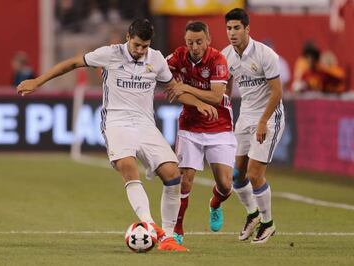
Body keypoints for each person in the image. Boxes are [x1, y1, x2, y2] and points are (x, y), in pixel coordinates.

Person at [17, 19, 218, 252]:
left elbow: (173, 89)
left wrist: (198, 103)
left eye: (144, 46)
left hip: (145, 124)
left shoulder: (155, 59)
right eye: (136, 46)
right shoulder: (109, 54)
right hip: (116, 122)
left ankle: (168, 239)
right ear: (127, 39)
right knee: (128, 167)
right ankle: (152, 226)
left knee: (174, 175)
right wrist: (37, 81)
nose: (140, 51)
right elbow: (72, 63)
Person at [165, 21, 237, 245]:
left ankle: (215, 203)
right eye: (189, 42)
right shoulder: (177, 57)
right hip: (190, 126)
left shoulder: (218, 60)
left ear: (208, 40)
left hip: (220, 125)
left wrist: (185, 87)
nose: (194, 47)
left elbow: (216, 97)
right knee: (184, 182)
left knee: (226, 185)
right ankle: (177, 230)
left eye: (198, 42)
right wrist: (195, 102)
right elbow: (164, 78)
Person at [222, 8, 285, 244]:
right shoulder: (226, 55)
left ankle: (268, 223)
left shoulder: (265, 54)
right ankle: (253, 214)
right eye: (229, 28)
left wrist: (262, 122)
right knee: (236, 176)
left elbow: (277, 91)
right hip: (245, 116)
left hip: (268, 117)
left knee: (255, 173)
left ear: (247, 29)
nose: (232, 32)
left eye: (237, 27)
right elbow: (225, 88)